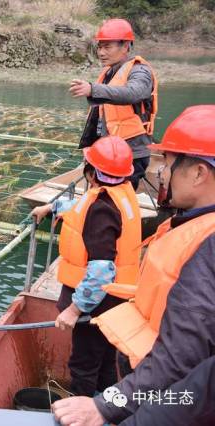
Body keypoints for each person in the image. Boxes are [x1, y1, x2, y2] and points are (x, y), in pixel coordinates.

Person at [52, 105, 215, 426]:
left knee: (85, 368)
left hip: (165, 399)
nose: (160, 174)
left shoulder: (208, 244)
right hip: (149, 383)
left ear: (198, 173)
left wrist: (105, 406)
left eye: (167, 165)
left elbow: (180, 361)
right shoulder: (128, 196)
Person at [31, 135, 141, 397]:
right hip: (117, 300)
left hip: (96, 304)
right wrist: (52, 206)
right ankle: (108, 408)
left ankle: (83, 411)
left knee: (83, 366)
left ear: (91, 173)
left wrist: (74, 309)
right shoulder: (121, 193)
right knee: (104, 360)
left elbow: (101, 271)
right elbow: (82, 206)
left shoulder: (102, 211)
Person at [70, 18, 158, 190]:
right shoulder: (109, 72)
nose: (101, 52)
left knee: (116, 202)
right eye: (100, 47)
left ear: (125, 46)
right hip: (110, 153)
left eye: (107, 47)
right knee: (103, 198)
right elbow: (102, 119)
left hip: (131, 154)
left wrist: (92, 90)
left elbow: (134, 93)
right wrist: (92, 148)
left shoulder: (140, 70)